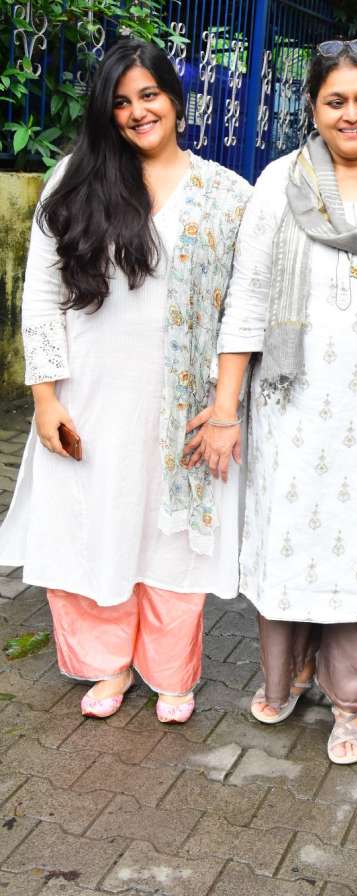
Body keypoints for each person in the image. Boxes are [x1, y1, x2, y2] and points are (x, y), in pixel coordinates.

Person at [194, 38, 357, 763]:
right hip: (292, 409)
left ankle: (353, 701)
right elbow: (245, 303)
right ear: (312, 107)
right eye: (335, 100)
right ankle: (286, 675)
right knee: (290, 541)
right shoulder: (279, 182)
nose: (350, 114)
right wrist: (224, 411)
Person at [0, 38, 252, 723]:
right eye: (120, 101)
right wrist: (46, 397)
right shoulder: (74, 182)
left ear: (174, 98)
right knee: (93, 524)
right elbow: (40, 296)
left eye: (149, 95)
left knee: (168, 539)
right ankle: (105, 666)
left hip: (181, 404)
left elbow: (245, 310)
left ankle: (172, 672)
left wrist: (227, 405)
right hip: (90, 393)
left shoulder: (229, 196)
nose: (138, 111)